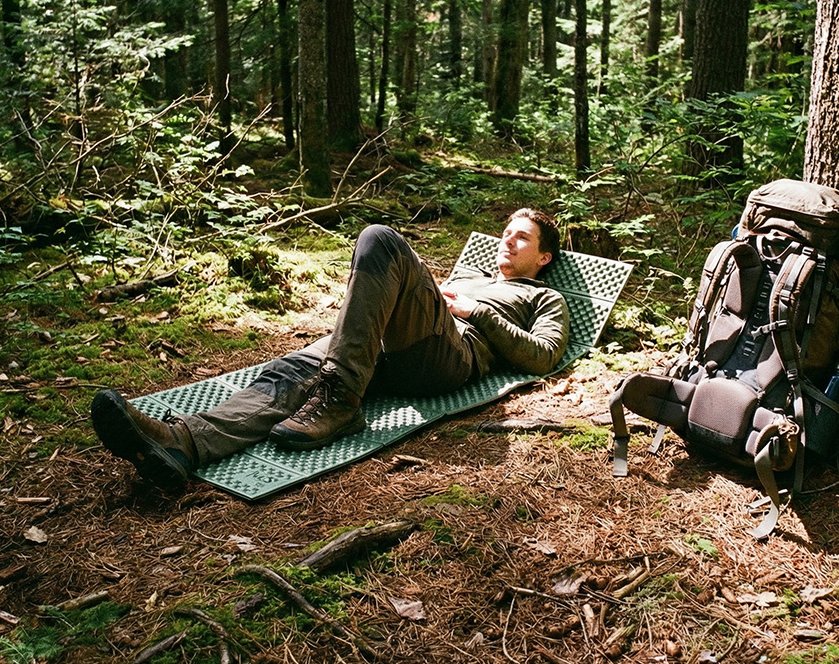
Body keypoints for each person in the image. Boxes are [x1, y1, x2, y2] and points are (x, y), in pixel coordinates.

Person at [90, 208, 570, 488]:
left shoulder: (545, 296)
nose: (507, 240)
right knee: (291, 373)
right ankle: (183, 443)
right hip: (391, 347)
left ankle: (338, 400)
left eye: (521, 237)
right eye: (505, 232)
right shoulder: (471, 276)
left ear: (544, 257)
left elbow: (545, 355)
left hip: (448, 356)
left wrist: (472, 310)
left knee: (379, 238)